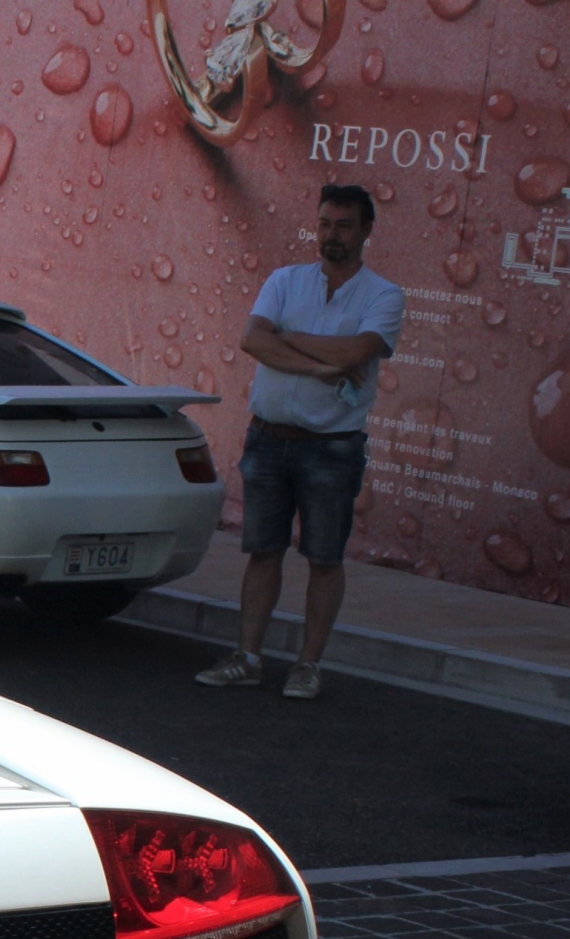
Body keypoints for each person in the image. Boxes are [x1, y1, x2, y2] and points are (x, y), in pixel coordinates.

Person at [195, 184, 403, 700]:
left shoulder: (384, 294)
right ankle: (248, 657)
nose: (332, 235)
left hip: (331, 447)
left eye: (344, 226)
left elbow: (360, 349)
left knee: (324, 558)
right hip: (268, 440)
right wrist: (325, 364)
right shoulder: (285, 280)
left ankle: (308, 665)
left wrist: (286, 341)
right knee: (263, 551)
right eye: (326, 224)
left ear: (367, 230)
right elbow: (251, 339)